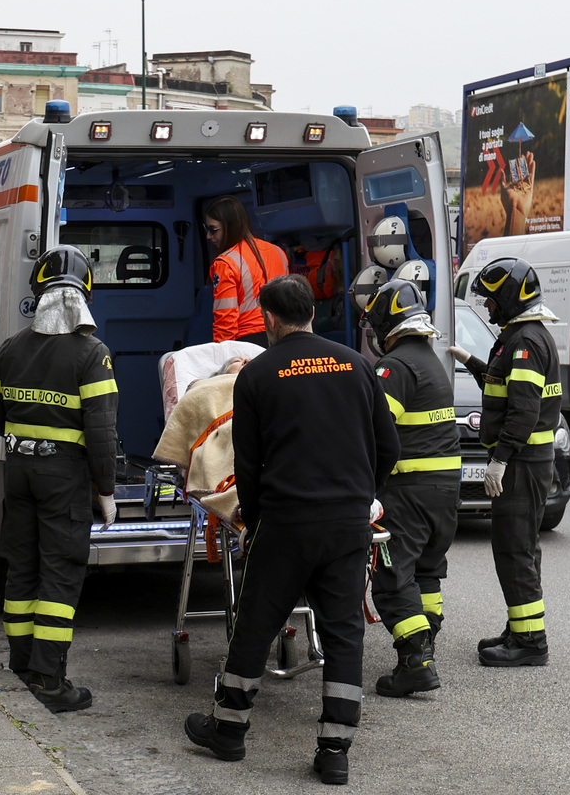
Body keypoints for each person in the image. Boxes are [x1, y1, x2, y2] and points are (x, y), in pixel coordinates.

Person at [184, 274, 399, 786]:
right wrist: (361, 497)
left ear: (270, 319)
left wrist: (254, 521)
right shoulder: (357, 365)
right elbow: (388, 447)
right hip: (346, 524)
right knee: (343, 634)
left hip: (285, 522)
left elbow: (248, 464)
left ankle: (229, 731)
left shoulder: (257, 375)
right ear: (312, 313)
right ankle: (335, 752)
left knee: (255, 625)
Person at [0, 245, 119, 713]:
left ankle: (22, 666)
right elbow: (101, 434)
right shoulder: (93, 354)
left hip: (17, 472)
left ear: (38, 294)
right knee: (60, 575)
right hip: (62, 478)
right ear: (85, 295)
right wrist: (106, 489)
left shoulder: (11, 349)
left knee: (22, 567)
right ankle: (50, 682)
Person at [450, 257, 560, 667]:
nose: (488, 306)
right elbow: (503, 387)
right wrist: (470, 361)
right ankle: (521, 628)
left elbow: (524, 411)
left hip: (522, 463)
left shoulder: (525, 341)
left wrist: (499, 459)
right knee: (520, 548)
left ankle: (530, 642)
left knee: (515, 550)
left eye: (491, 300)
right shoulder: (521, 336)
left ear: (511, 298)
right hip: (527, 462)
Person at [362, 279, 461, 697]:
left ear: (388, 323)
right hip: (444, 490)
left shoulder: (395, 366)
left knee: (392, 576)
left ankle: (415, 662)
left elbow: (376, 431)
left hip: (409, 490)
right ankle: (426, 644)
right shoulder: (429, 360)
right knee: (426, 571)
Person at [204, 195, 289, 347]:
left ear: (230, 227)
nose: (209, 236)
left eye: (213, 230)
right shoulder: (278, 252)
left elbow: (225, 321)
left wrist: (223, 354)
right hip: (282, 337)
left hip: (248, 342)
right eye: (207, 229)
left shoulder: (225, 263)